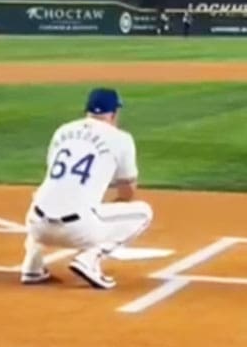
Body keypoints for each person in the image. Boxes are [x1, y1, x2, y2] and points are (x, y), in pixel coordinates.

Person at [20, 88, 153, 289]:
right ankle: (89, 259)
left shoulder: (63, 130)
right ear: (114, 113)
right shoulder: (121, 139)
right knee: (144, 212)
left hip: (36, 225)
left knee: (45, 195)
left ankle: (32, 264)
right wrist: (107, 210)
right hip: (79, 229)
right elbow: (127, 191)